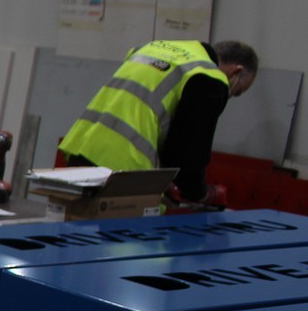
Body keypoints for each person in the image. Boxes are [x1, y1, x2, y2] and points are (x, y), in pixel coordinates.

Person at [59, 39, 258, 204]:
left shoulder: (155, 48)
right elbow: (189, 152)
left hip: (82, 150)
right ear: (236, 72)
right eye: (237, 92)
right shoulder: (210, 78)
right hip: (124, 170)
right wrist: (202, 194)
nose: (231, 94)